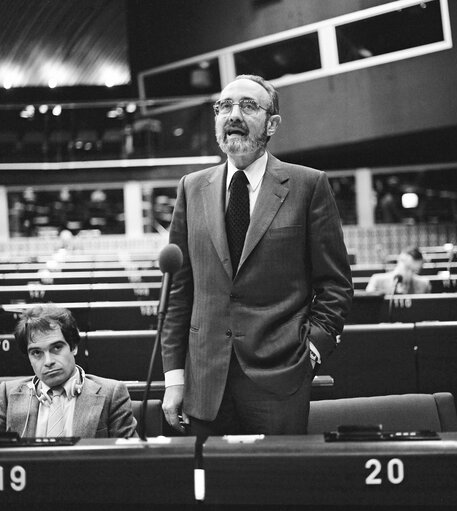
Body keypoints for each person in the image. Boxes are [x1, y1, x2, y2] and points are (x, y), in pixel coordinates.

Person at [161, 74, 353, 436]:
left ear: (272, 124)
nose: (233, 115)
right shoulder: (191, 188)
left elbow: (335, 285)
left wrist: (312, 348)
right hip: (204, 381)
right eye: (224, 106)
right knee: (210, 489)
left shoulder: (308, 185)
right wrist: (174, 377)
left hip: (279, 377)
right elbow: (178, 292)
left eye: (248, 106)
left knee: (277, 487)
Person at [0, 305, 137, 438]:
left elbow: (130, 457)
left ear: (74, 347)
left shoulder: (112, 394)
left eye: (57, 347)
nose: (48, 361)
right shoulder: (7, 395)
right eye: (36, 352)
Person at [366, 247, 431, 294]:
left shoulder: (424, 284)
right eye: (407, 268)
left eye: (414, 270)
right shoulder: (377, 281)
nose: (408, 273)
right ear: (399, 261)